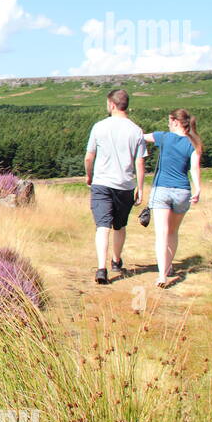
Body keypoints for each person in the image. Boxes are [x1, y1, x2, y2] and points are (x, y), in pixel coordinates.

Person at [84, 88, 147, 285]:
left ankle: (101, 268)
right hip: (125, 185)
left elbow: (89, 156)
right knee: (119, 225)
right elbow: (140, 162)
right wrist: (140, 187)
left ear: (112, 104)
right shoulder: (136, 131)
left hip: (101, 182)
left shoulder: (99, 127)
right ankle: (116, 260)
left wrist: (89, 175)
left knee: (102, 226)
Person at [143, 109, 203, 288]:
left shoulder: (164, 137)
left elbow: (142, 136)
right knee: (172, 232)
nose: (168, 124)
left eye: (169, 121)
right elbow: (194, 168)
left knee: (161, 233)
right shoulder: (194, 143)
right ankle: (168, 267)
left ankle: (162, 275)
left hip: (161, 189)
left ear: (176, 122)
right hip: (182, 191)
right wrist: (198, 188)